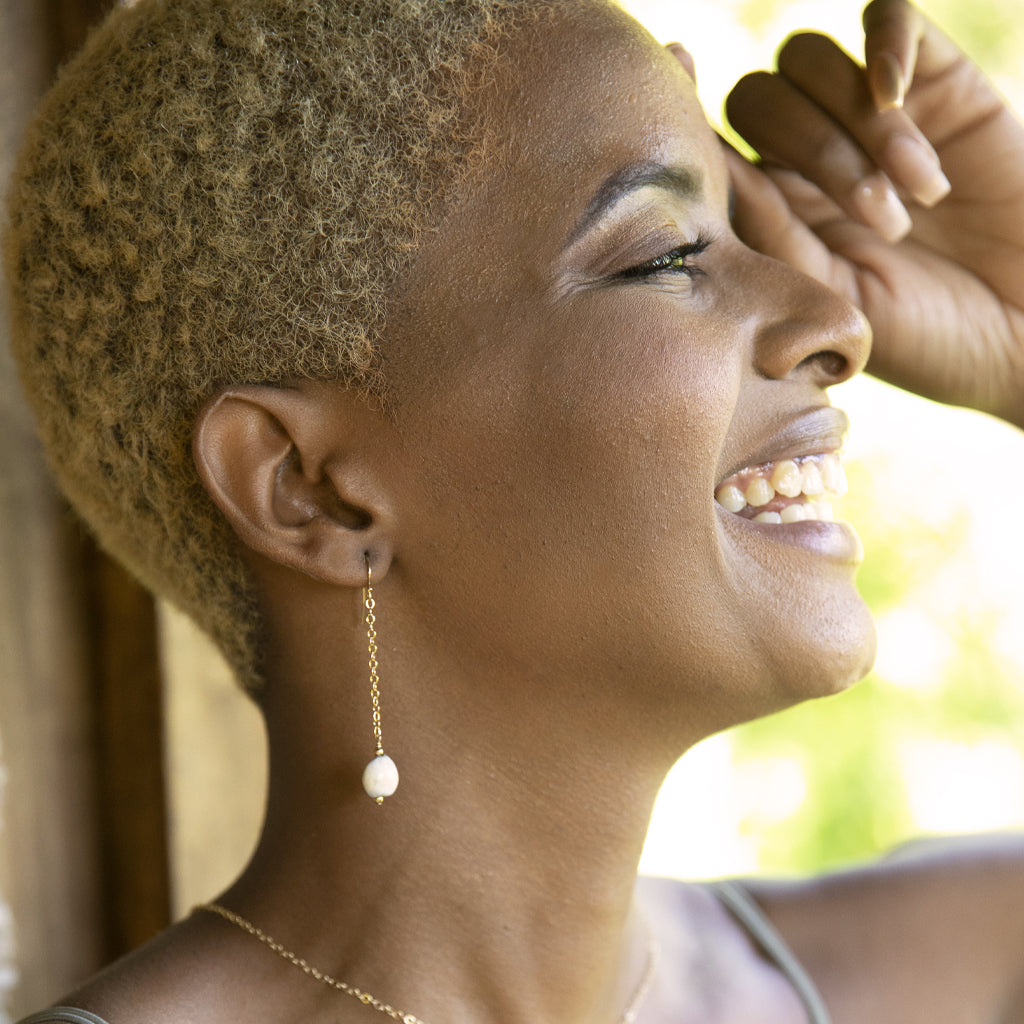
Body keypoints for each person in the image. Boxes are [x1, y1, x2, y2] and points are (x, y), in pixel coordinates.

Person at [5, 0, 1024, 1020]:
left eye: (745, 228)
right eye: (667, 252)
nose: (839, 322)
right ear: (307, 486)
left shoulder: (955, 967)